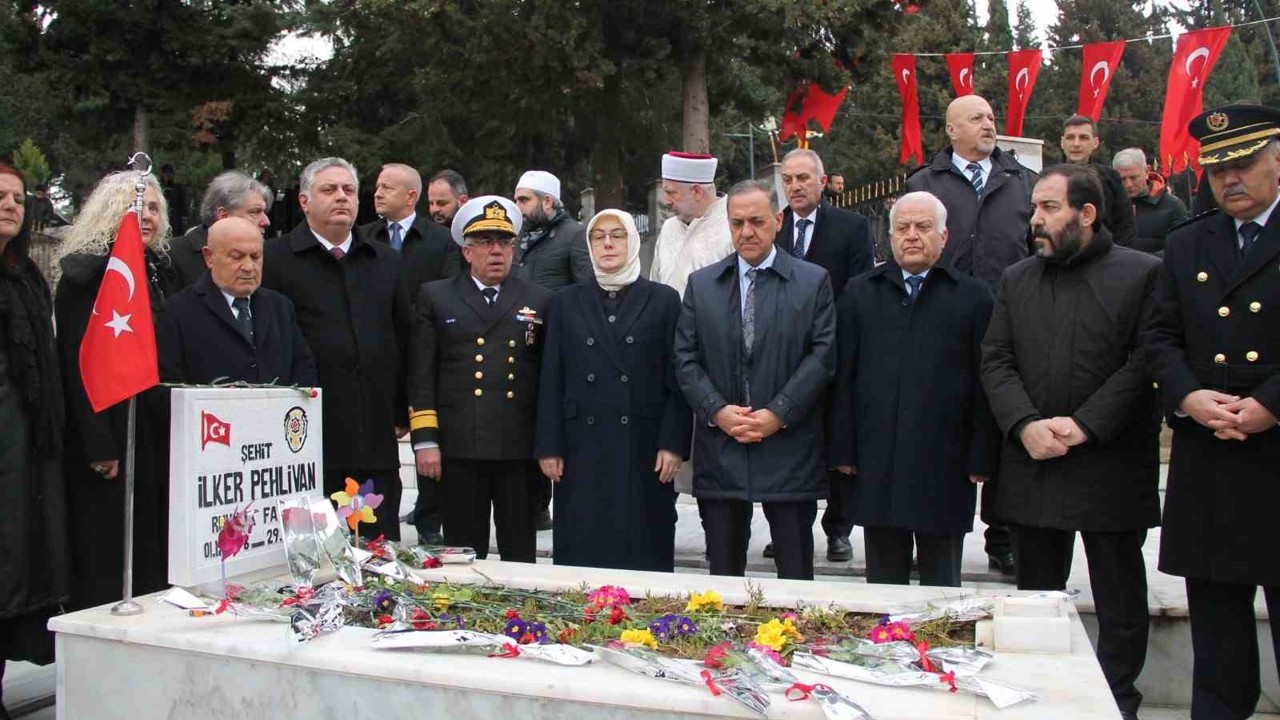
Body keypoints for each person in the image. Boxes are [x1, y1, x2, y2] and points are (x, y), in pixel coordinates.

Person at [982, 164, 1161, 720]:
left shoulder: (1142, 273)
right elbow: (996, 360)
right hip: (1034, 460)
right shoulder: (1017, 279)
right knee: (1036, 597)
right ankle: (1041, 697)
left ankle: (1117, 699)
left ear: (1086, 213)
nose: (1035, 219)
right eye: (1034, 208)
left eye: (1049, 208)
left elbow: (1145, 362)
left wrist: (1086, 424)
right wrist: (1024, 424)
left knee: (1119, 596)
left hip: (1110, 461)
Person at [1143, 103, 1280, 720]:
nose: (1230, 179)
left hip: (1275, 448)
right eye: (1219, 168)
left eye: (1244, 164)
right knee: (1217, 634)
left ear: (1278, 161)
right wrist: (1188, 396)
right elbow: (1159, 336)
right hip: (1211, 453)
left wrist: (1271, 405)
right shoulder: (1188, 242)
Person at [829, 191, 997, 587]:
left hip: (946, 464)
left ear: (944, 236)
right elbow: (842, 376)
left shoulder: (973, 297)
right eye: (902, 228)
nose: (912, 236)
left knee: (942, 589)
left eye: (923, 227)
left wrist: (982, 456)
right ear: (889, 237)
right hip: (877, 460)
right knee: (884, 585)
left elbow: (986, 381)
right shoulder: (860, 292)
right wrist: (843, 449)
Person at [674, 179, 836, 580]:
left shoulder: (812, 281)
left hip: (788, 445)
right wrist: (717, 411)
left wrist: (777, 414)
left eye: (757, 222)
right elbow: (685, 357)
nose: (747, 232)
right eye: (737, 223)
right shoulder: (703, 285)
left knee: (795, 570)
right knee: (723, 572)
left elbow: (822, 356)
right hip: (722, 446)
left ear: (778, 221)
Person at [905, 93, 1037, 576]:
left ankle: (1002, 536)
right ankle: (929, 530)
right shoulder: (924, 182)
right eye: (977, 118)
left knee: (1004, 425)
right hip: (942, 321)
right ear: (951, 130)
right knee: (938, 424)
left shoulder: (1021, 180)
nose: (989, 124)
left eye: (991, 116)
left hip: (1008, 319)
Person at [261, 157, 411, 541]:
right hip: (306, 438)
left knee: (377, 549)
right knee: (316, 555)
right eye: (329, 190)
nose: (341, 197)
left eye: (349, 190)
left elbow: (403, 337)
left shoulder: (385, 261)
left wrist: (402, 408)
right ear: (304, 201)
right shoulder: (275, 260)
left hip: (373, 435)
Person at [535, 209, 691, 572]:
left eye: (617, 235)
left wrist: (673, 443)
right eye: (598, 236)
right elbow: (551, 377)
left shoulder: (664, 299)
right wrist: (549, 445)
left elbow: (678, 379)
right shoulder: (564, 301)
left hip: (644, 445)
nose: (607, 243)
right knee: (583, 548)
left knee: (642, 546)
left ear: (633, 241)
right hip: (581, 446)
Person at [54, 170, 176, 611]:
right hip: (107, 425)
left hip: (153, 425)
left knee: (150, 539)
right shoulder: (84, 276)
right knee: (107, 542)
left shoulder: (162, 272)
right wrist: (98, 443)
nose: (147, 216)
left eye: (154, 208)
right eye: (136, 206)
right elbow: (75, 363)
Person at [408, 196, 551, 562]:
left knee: (520, 552)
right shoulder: (437, 296)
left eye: (504, 242)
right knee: (463, 551)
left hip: (518, 449)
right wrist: (426, 440)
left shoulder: (539, 299)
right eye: (485, 242)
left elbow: (547, 377)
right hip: (459, 447)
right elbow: (421, 373)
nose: (496, 251)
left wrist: (548, 444)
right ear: (467, 251)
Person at [772, 147, 874, 564]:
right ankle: (787, 529)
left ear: (822, 181)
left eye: (802, 178)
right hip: (782, 356)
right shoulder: (774, 226)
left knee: (837, 443)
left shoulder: (852, 227)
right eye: (788, 180)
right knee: (788, 445)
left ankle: (838, 530)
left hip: (834, 350)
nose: (795, 186)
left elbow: (858, 289)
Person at [359, 163, 461, 545]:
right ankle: (370, 517)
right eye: (377, 186)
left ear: (411, 196)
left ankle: (429, 518)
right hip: (377, 352)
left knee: (429, 434)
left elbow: (449, 290)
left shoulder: (441, 240)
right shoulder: (363, 238)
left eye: (387, 187)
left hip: (424, 349)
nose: (377, 193)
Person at [0, 162, 69, 700]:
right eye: (0, 197)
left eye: (18, 199)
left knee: (15, 572)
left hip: (23, 447)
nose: (10, 206)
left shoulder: (27, 276)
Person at [158, 217, 316, 386]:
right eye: (237, 257)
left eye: (255, 257)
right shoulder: (178, 311)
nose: (248, 267)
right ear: (209, 257)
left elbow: (303, 371)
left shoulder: (280, 307)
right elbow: (170, 382)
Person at [167, 171, 273, 290]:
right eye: (254, 212)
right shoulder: (174, 255)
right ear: (224, 216)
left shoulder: (269, 256)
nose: (266, 221)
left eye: (264, 212)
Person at [650, 152, 734, 299]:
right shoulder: (669, 227)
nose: (666, 201)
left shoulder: (732, 226)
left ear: (697, 192)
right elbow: (655, 284)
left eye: (671, 192)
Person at [1060, 114, 1138, 247]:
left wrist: (1112, 255)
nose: (1076, 144)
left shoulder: (1111, 179)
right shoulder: (1048, 180)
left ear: (1095, 142)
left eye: (1083, 138)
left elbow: (1125, 225)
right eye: (1070, 137)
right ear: (1062, 142)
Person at [1112, 147, 1188, 255]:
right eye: (1122, 179)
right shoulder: (1109, 205)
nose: (1128, 185)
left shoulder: (1172, 205)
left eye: (1133, 178)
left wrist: (1149, 262)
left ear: (1147, 171)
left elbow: (1182, 246)